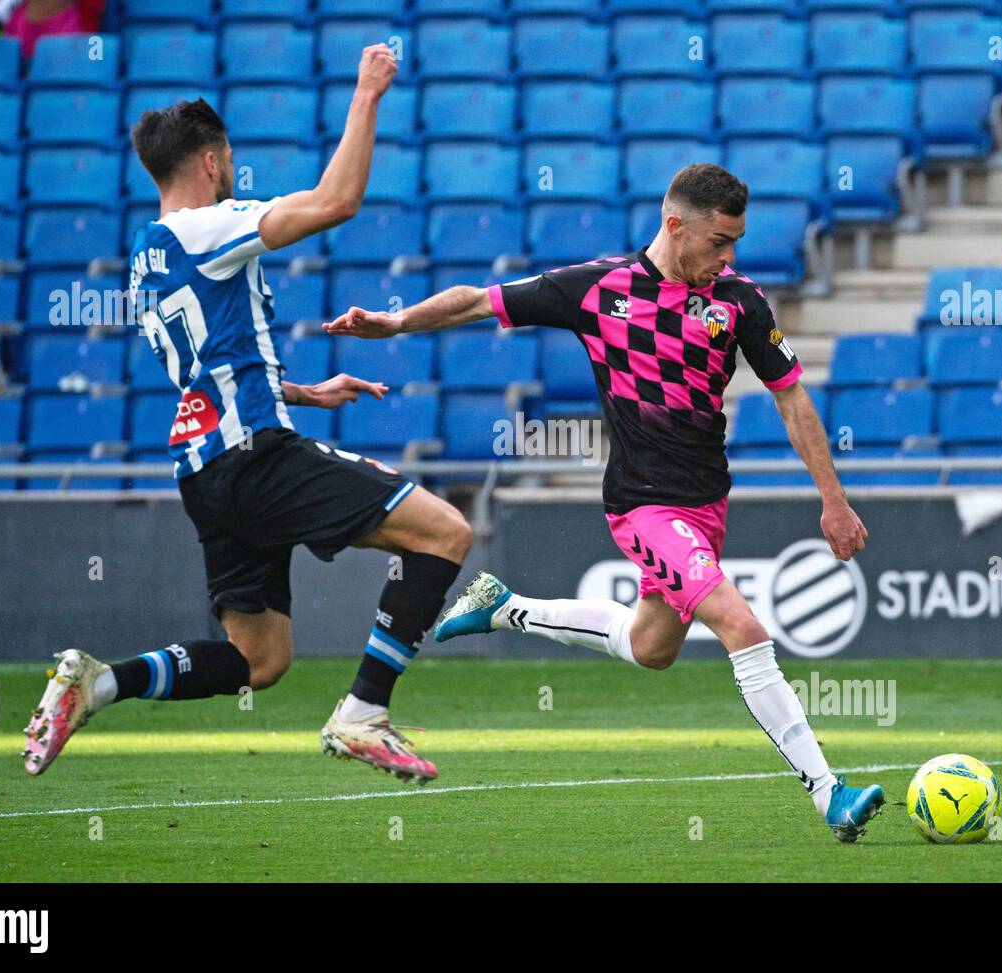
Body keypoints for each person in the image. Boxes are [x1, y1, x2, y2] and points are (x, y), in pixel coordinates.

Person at [323, 163, 885, 840]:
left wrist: (834, 500)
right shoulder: (597, 289)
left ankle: (509, 607)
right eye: (718, 241)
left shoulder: (739, 300)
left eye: (735, 242)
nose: (728, 255)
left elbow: (791, 396)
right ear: (675, 225)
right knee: (744, 628)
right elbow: (480, 300)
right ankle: (829, 792)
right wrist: (394, 322)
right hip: (643, 506)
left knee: (651, 647)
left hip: (707, 505)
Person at [23, 46, 469, 784]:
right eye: (227, 157)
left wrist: (301, 391)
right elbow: (336, 202)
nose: (232, 170)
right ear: (209, 161)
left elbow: (211, 364)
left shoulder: (146, 257)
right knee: (446, 530)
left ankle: (96, 682)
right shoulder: (209, 227)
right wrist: (366, 94)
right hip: (255, 457)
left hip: (204, 472)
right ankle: (363, 712)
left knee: (261, 659)